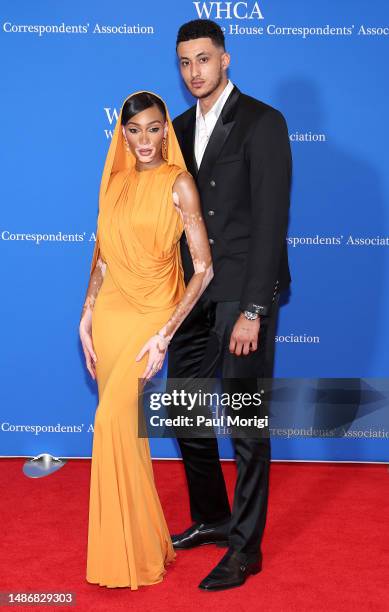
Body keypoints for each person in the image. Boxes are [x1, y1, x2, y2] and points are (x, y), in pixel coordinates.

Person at [168, 20, 292, 591]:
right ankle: (214, 518)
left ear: (226, 59)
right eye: (186, 62)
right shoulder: (175, 128)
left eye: (204, 60)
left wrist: (255, 310)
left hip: (243, 296)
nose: (195, 72)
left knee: (245, 427)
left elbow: (271, 224)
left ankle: (246, 549)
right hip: (193, 297)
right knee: (184, 412)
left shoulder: (263, 122)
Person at [79, 90, 213, 590]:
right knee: (124, 435)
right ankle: (141, 545)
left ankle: (128, 554)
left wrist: (165, 334)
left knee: (111, 421)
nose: (144, 140)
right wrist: (86, 314)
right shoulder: (112, 182)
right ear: (122, 134)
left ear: (166, 130)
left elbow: (203, 269)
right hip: (112, 311)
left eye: (154, 128)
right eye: (133, 130)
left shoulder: (180, 184)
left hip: (153, 313)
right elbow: (105, 257)